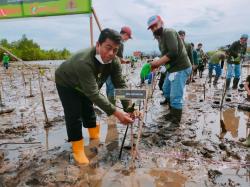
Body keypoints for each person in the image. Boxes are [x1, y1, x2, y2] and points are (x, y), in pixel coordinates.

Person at [55, 28, 134, 164]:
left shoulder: (114, 61)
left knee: (88, 109)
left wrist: (129, 107)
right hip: (67, 82)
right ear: (98, 45)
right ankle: (78, 150)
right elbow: (94, 94)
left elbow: (120, 84)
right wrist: (117, 113)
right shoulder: (84, 62)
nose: (111, 53)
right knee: (74, 114)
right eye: (108, 48)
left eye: (115, 50)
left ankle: (94, 137)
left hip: (87, 84)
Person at [147, 15, 192, 129]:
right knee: (166, 90)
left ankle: (175, 122)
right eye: (152, 28)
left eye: (155, 26)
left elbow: (173, 52)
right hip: (172, 69)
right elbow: (164, 55)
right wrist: (158, 64)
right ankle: (172, 114)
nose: (154, 29)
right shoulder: (160, 39)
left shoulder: (169, 32)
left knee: (175, 96)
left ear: (161, 23)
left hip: (181, 68)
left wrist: (157, 63)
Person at [106, 26, 132, 105]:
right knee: (113, 88)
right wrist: (125, 61)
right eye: (128, 37)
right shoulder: (120, 43)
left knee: (109, 87)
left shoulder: (111, 40)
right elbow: (118, 59)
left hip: (105, 68)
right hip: (113, 69)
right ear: (126, 34)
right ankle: (112, 110)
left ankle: (110, 107)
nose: (127, 39)